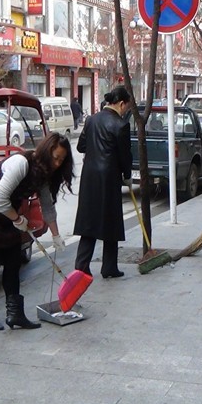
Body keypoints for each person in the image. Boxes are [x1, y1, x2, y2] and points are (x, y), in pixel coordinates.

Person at [0, 133, 74, 330]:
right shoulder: (21, 163)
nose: (57, 164)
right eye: (55, 158)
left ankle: (15, 314)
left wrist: (56, 235)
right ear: (46, 151)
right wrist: (18, 219)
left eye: (61, 160)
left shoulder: (43, 173)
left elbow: (47, 207)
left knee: (13, 264)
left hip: (7, 216)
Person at [74, 86, 133, 278]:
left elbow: (81, 146)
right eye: (126, 107)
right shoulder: (121, 125)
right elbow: (125, 155)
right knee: (111, 221)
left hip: (90, 177)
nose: (125, 111)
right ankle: (109, 267)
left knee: (89, 222)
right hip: (109, 178)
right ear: (121, 103)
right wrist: (127, 175)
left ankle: (81, 267)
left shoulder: (91, 120)